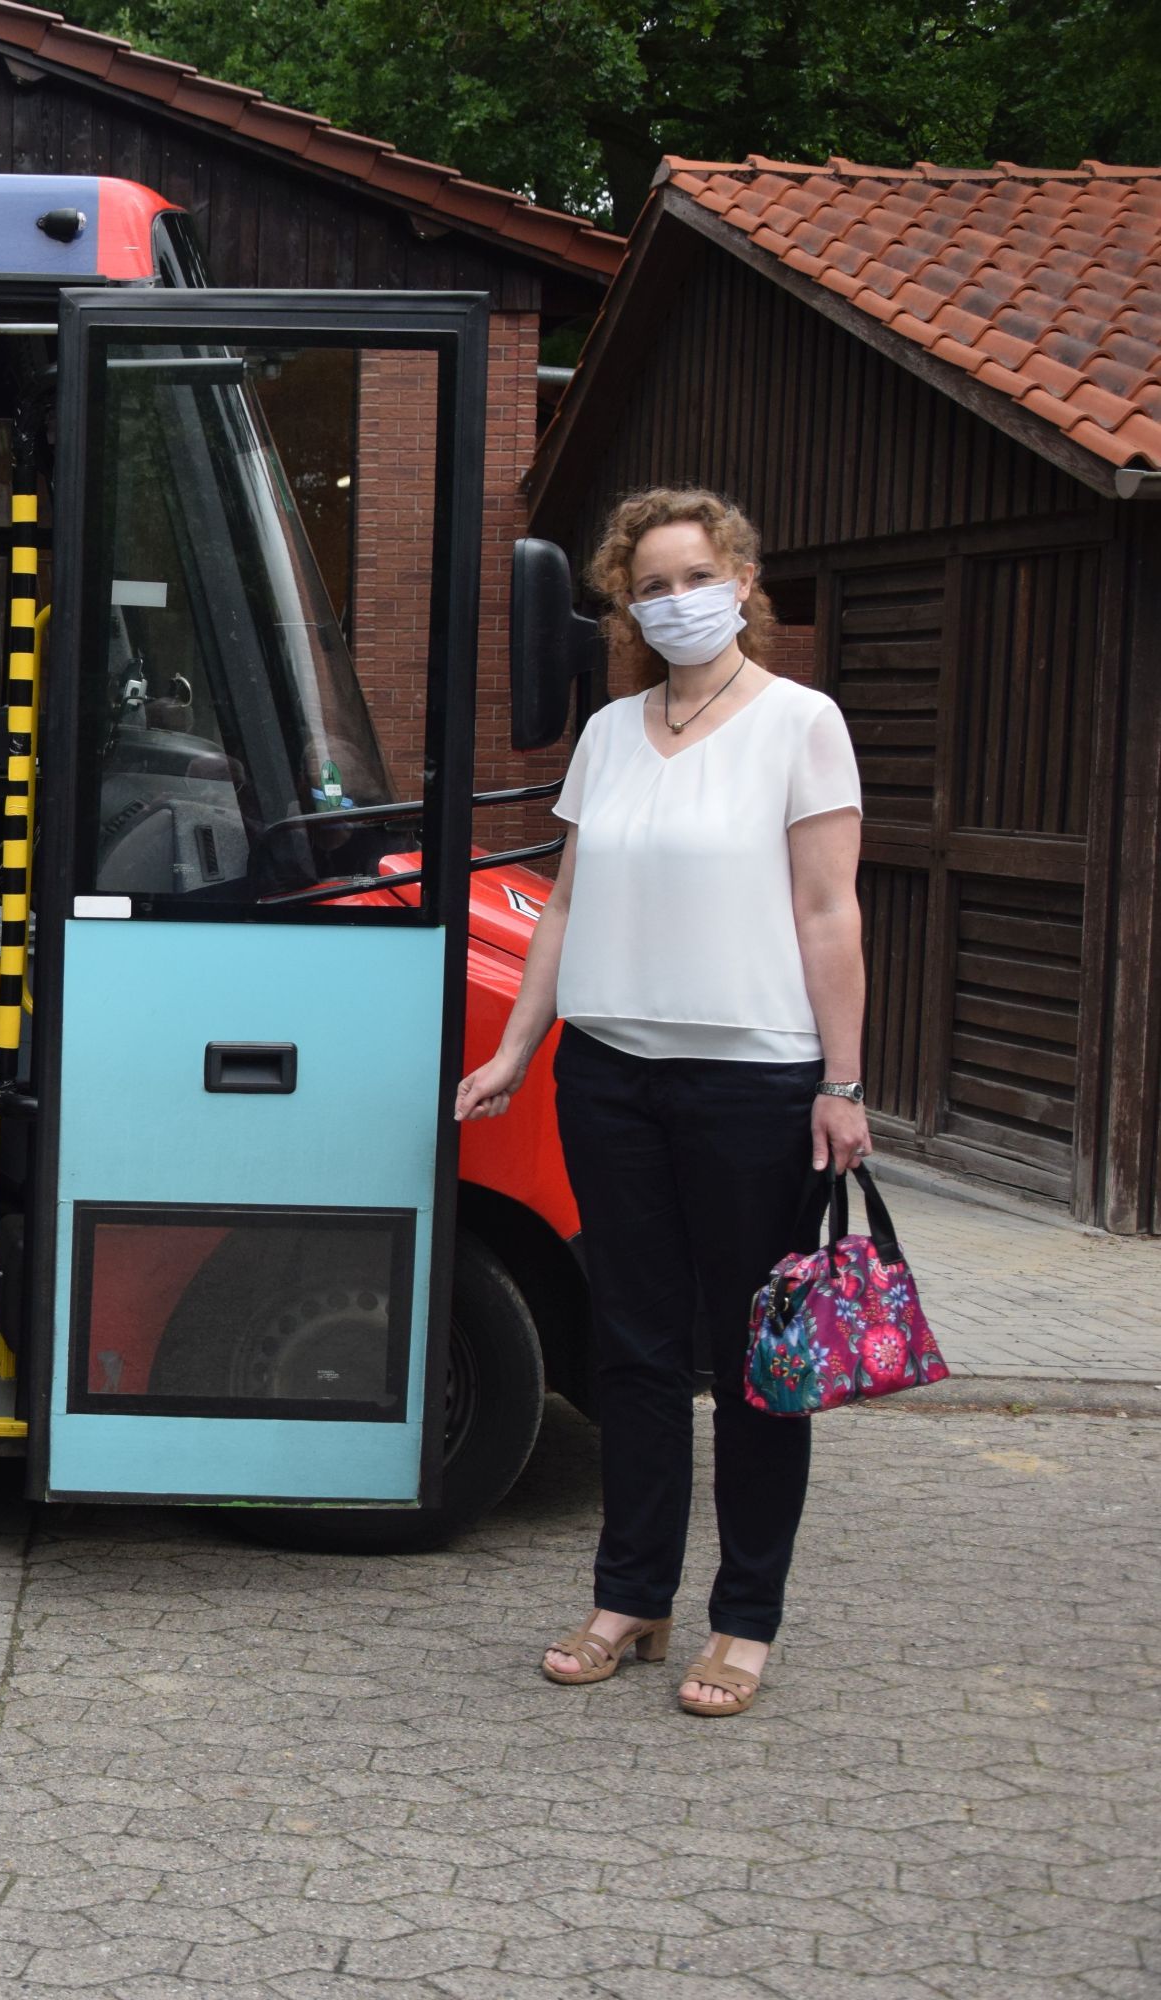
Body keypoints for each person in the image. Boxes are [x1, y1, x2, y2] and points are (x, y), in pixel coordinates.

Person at [455, 488, 868, 1720]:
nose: (673, 597)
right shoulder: (611, 733)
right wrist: (520, 1049)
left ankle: (746, 1619)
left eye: (694, 573)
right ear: (625, 604)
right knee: (631, 1347)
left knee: (754, 1357)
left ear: (741, 579)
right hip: (612, 1073)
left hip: (756, 1077)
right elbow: (567, 907)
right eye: (649, 583)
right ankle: (630, 1596)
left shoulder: (802, 722)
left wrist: (844, 1082)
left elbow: (829, 910)